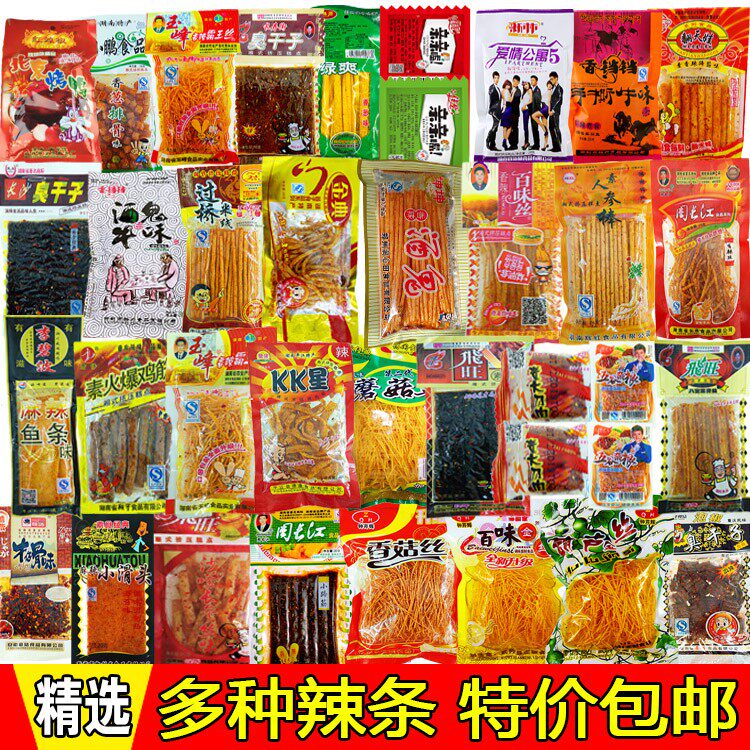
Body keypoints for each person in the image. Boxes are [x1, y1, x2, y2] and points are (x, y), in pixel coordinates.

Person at [486, 71, 503, 151]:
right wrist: (491, 110)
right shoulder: (492, 88)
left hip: (498, 110)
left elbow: (499, 100)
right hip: (494, 111)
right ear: (493, 78)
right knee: (495, 126)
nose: (496, 79)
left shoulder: (498, 88)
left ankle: (492, 145)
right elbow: (490, 100)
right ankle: (488, 139)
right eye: (495, 78)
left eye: (498, 78)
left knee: (495, 128)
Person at [532, 82, 551, 151]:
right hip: (543, 107)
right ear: (547, 85)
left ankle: (543, 127)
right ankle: (545, 144)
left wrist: (548, 110)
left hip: (545, 107)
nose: (549, 86)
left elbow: (549, 101)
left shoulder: (550, 92)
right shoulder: (546, 91)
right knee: (546, 128)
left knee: (533, 116)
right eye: (548, 84)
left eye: (551, 85)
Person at [548, 71, 564, 153]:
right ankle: (555, 147)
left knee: (556, 128)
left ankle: (559, 146)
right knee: (551, 128)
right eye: (550, 79)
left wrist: (553, 110)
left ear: (556, 78)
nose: (551, 81)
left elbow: (560, 101)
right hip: (551, 111)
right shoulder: (553, 88)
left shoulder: (559, 88)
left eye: (552, 79)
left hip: (555, 112)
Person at [507, 75, 522, 150]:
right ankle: (511, 144)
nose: (515, 83)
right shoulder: (509, 89)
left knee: (514, 128)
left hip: (515, 112)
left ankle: (514, 145)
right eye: (514, 81)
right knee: (508, 127)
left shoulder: (518, 91)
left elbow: (514, 102)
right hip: (508, 112)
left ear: (518, 82)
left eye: (516, 81)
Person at [528, 75, 542, 150]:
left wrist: (536, 113)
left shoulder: (537, 90)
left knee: (535, 128)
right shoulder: (532, 90)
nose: (531, 82)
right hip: (532, 112)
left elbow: (537, 102)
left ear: (536, 81)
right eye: (531, 80)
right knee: (534, 128)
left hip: (535, 112)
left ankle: (537, 145)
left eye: (533, 80)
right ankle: (536, 144)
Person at [500, 80, 514, 150]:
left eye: (509, 85)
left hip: (503, 108)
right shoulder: (507, 91)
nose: (508, 86)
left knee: (505, 127)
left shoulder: (502, 91)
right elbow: (510, 100)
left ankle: (504, 142)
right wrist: (513, 93)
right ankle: (504, 141)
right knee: (510, 127)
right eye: (507, 85)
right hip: (508, 108)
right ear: (505, 85)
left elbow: (503, 100)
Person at [520, 81, 532, 150]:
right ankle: (526, 142)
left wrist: (525, 105)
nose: (525, 86)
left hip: (527, 110)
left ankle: (526, 143)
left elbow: (531, 100)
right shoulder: (524, 92)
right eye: (524, 85)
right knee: (525, 127)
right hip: (524, 110)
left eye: (526, 84)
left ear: (529, 84)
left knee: (526, 127)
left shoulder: (530, 90)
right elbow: (522, 101)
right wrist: (522, 108)